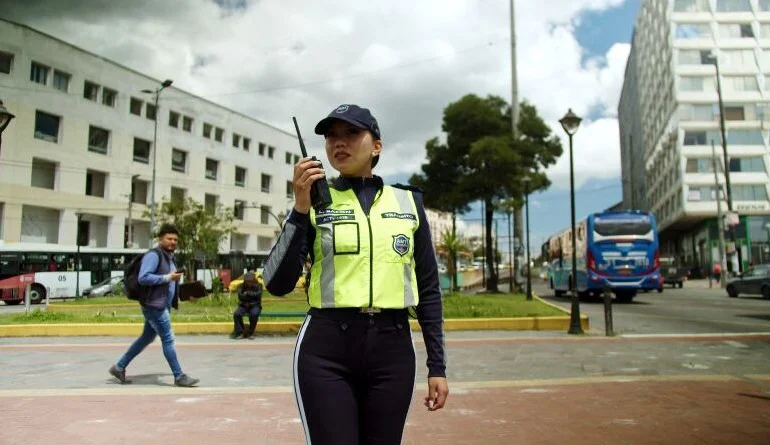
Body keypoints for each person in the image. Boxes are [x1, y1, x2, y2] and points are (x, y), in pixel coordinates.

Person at [263, 104, 448, 444]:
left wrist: (437, 366)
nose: (339, 142)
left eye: (351, 133)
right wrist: (300, 208)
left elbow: (429, 290)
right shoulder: (319, 202)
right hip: (326, 350)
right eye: (331, 136)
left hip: (392, 351)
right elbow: (277, 283)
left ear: (376, 146)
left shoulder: (408, 203)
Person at [108, 224, 199, 387]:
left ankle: (119, 367)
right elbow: (144, 277)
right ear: (160, 239)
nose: (173, 242)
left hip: (161, 304)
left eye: (175, 239)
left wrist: (185, 294)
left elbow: (170, 282)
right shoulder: (154, 255)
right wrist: (167, 278)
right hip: (154, 305)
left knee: (146, 338)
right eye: (169, 239)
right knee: (168, 338)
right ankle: (179, 376)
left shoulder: (169, 257)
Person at [230, 271, 263, 339]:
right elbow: (240, 296)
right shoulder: (240, 286)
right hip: (243, 305)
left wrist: (247, 293)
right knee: (237, 314)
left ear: (254, 280)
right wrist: (251, 296)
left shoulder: (259, 285)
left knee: (254, 314)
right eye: (247, 281)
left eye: (251, 281)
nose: (249, 283)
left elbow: (258, 295)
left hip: (255, 305)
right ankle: (240, 332)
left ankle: (251, 332)